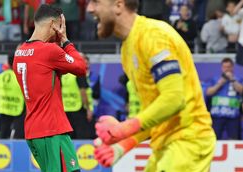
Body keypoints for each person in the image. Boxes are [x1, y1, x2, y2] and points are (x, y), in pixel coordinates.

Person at [87, 0, 216, 171]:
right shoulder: (127, 51)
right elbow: (156, 112)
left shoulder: (153, 35)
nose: (89, 8)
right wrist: (122, 146)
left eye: (95, 2)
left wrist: (124, 128)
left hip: (187, 141)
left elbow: (174, 99)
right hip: (164, 145)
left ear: (119, 5)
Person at [13, 4, 86, 172]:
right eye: (61, 25)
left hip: (34, 130)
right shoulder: (49, 51)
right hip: (51, 130)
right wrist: (66, 40)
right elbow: (81, 68)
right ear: (54, 24)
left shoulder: (19, 53)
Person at [206, 58, 243, 140]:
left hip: (233, 115)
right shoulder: (215, 79)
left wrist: (233, 80)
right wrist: (220, 83)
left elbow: (241, 90)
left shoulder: (239, 79)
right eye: (225, 67)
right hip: (217, 115)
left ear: (232, 67)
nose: (227, 69)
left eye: (229, 67)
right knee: (214, 139)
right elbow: (208, 92)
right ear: (221, 68)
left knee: (234, 139)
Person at [0, 54, 25, 139]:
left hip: (3, 108)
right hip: (18, 108)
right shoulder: (21, 76)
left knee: (3, 134)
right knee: (18, 135)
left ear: (8, 63)